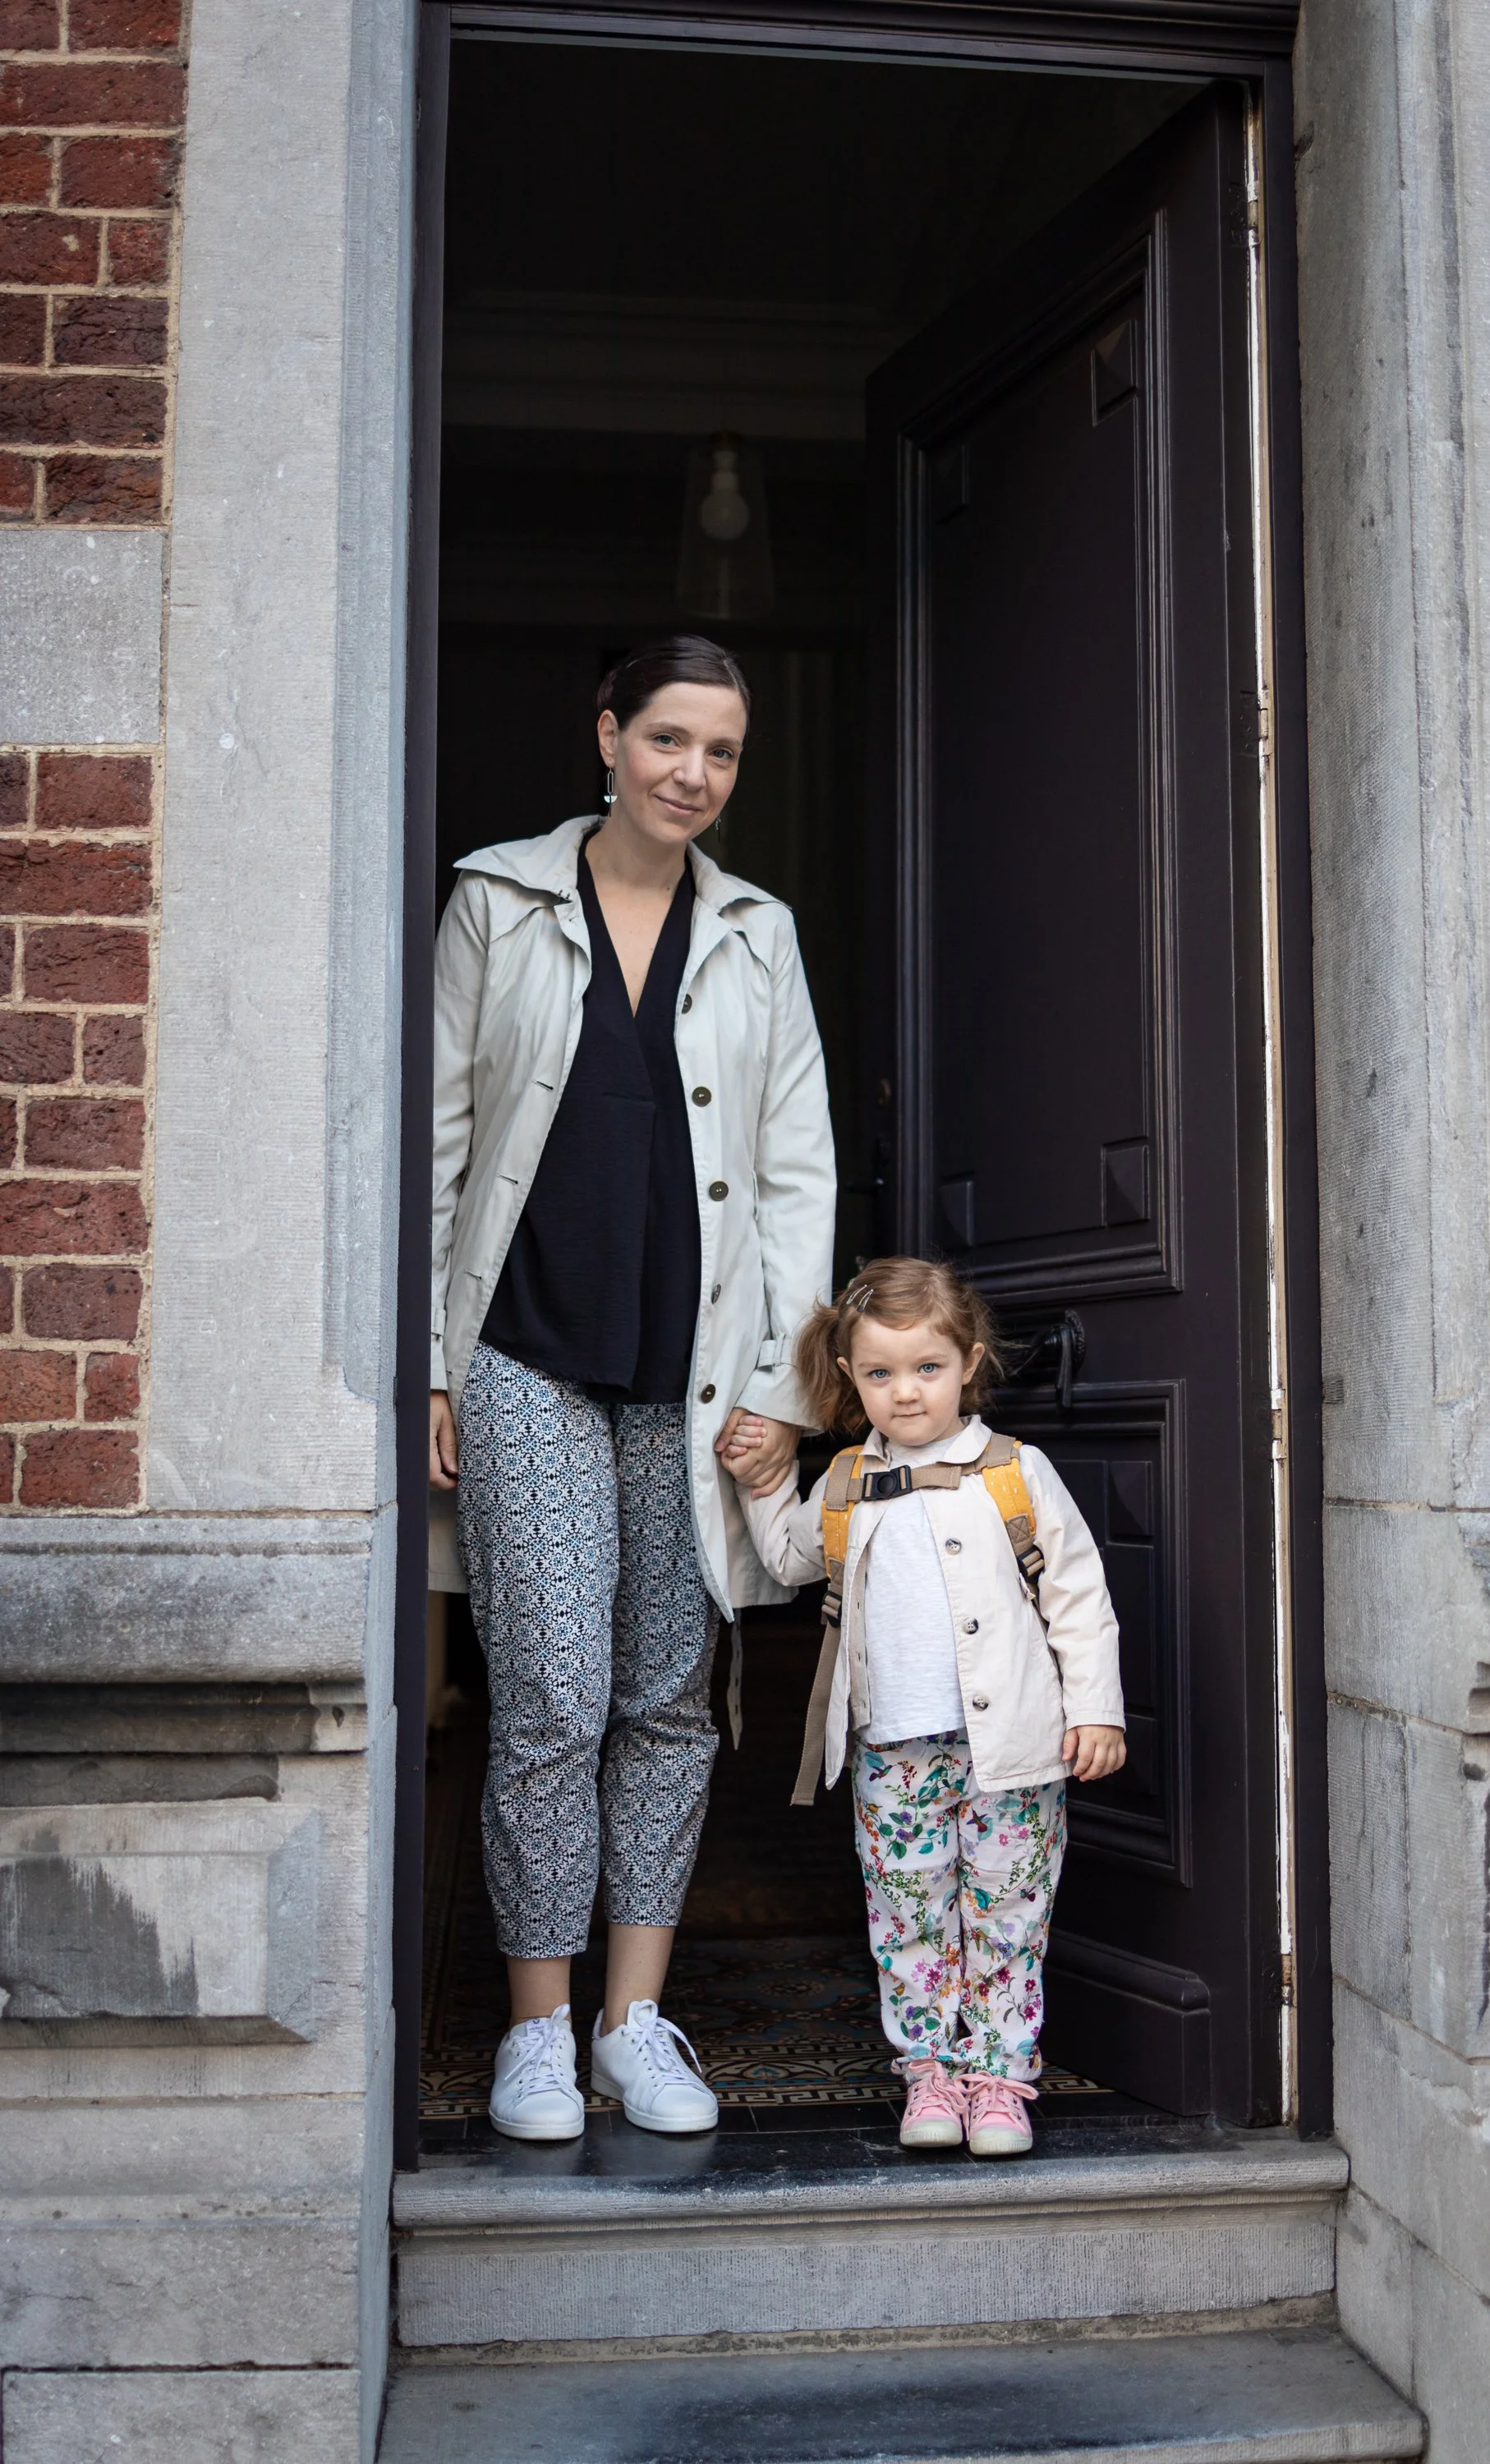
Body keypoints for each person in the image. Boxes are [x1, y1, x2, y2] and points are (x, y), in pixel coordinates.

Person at [429, 636, 835, 2142]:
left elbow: (797, 1174)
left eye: (721, 751)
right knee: (550, 1696)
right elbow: (436, 1139)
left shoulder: (760, 934)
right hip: (520, 1354)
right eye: (669, 739)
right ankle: (537, 2030)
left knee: (667, 1701)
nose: (693, 773)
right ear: (608, 737)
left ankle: (630, 2025)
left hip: (699, 1380)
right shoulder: (498, 901)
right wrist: (428, 1361)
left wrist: (789, 1390)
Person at [729, 1257, 1124, 2157]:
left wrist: (1095, 1711)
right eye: (880, 1373)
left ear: (968, 1364)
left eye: (927, 1368)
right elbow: (788, 1558)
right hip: (892, 1753)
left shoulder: (1014, 1472)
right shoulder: (844, 1482)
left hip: (1012, 1751)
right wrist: (762, 1481)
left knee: (1007, 1918)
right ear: (850, 1377)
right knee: (907, 1919)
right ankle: (931, 2077)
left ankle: (999, 2081)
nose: (905, 1392)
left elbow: (1076, 1596)